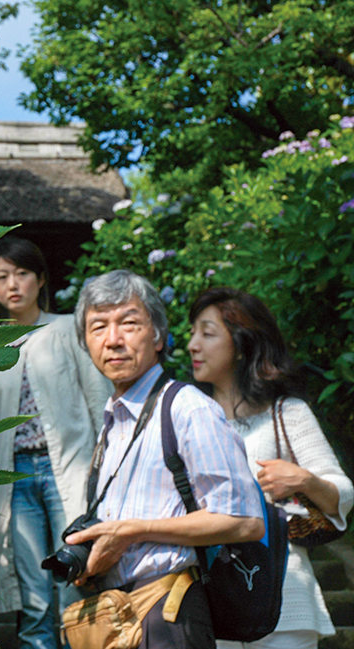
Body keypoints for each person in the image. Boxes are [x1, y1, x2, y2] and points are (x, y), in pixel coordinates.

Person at [65, 270, 265, 648]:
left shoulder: (187, 408)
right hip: (118, 612)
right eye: (98, 327)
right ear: (85, 343)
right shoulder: (113, 421)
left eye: (129, 324)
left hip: (168, 611)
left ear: (158, 336)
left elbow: (245, 521)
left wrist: (133, 531)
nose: (113, 339)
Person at [187, 287, 353, 649]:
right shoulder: (188, 419)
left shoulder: (287, 412)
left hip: (285, 598)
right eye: (192, 333)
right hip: (215, 603)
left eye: (207, 333)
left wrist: (303, 480)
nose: (192, 345)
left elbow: (343, 491)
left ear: (241, 344)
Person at [0, 238, 111, 649]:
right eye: (2, 276)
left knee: (73, 579)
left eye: (22, 273)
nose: (13, 284)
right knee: (33, 593)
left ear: (40, 279)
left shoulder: (68, 328)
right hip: (15, 477)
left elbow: (99, 399)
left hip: (70, 468)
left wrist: (104, 467)